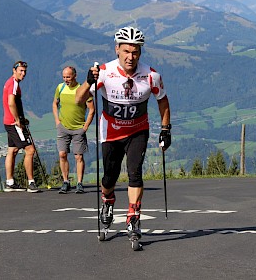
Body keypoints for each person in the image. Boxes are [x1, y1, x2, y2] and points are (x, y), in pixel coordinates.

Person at [75, 26, 171, 240]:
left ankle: (133, 217)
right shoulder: (103, 72)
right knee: (109, 177)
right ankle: (108, 200)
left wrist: (166, 128)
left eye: (135, 52)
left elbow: (162, 100)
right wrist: (89, 81)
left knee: (135, 172)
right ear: (117, 49)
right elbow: (79, 100)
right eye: (126, 51)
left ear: (140, 52)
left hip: (138, 130)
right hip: (111, 132)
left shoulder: (151, 75)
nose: (131, 57)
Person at [52, 66, 95, 194]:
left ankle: (79, 183)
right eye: (64, 77)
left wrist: (85, 126)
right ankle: (65, 182)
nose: (66, 80)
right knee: (62, 154)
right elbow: (55, 103)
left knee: (78, 156)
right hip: (63, 127)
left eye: (68, 77)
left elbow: (92, 109)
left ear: (75, 76)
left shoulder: (83, 90)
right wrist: (57, 121)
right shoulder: (60, 88)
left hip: (78, 129)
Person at [2, 61, 39, 193]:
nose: (23, 74)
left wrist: (22, 118)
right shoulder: (13, 83)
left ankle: (10, 182)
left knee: (12, 150)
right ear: (14, 70)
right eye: (21, 71)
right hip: (14, 123)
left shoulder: (9, 82)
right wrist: (18, 120)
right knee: (30, 150)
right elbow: (11, 103)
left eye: (25, 71)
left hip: (8, 121)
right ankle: (31, 183)